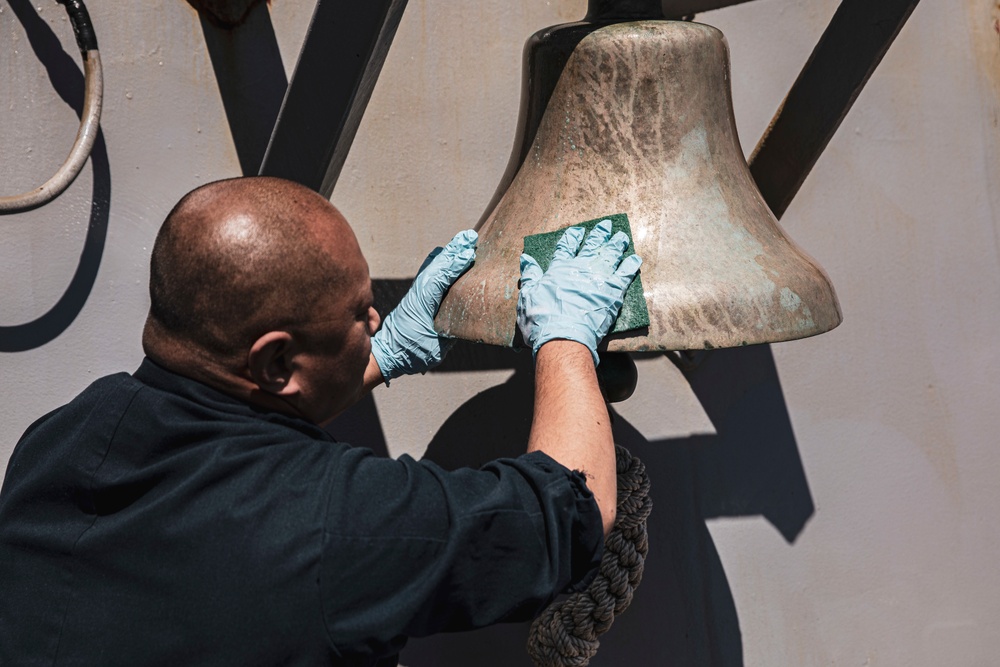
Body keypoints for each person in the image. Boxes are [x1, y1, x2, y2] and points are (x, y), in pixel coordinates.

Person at [0, 176, 642, 666]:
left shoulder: (60, 437)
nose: (374, 323)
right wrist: (566, 339)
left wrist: (374, 361)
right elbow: (567, 513)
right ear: (277, 359)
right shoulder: (338, 524)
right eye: (360, 314)